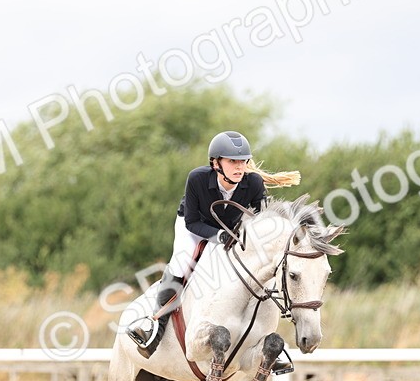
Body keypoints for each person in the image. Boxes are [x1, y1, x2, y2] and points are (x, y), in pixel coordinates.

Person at [126, 130, 299, 358]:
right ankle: (155, 327)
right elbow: (192, 221)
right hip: (195, 227)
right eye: (233, 162)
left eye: (243, 161)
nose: (239, 167)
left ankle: (264, 341)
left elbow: (263, 221)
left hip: (233, 230)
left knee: (260, 267)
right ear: (216, 163)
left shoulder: (254, 183)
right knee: (181, 263)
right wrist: (218, 237)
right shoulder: (197, 178)